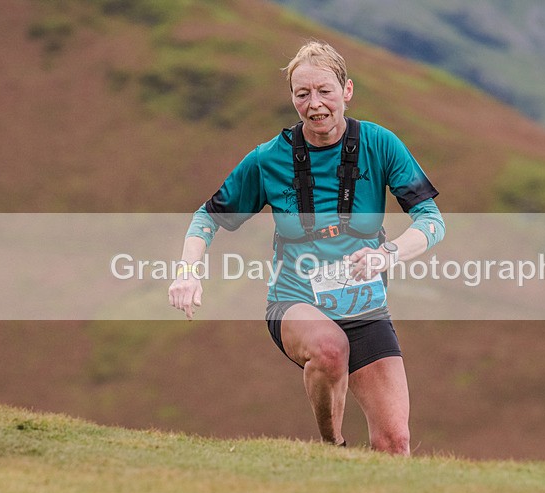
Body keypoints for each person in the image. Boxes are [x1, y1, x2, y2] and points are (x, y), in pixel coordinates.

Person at [168, 40, 444, 455]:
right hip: (294, 300)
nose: (315, 104)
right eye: (302, 94)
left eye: (325, 91)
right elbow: (206, 218)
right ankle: (332, 446)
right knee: (330, 349)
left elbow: (431, 220)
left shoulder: (380, 144)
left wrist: (387, 254)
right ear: (292, 98)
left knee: (395, 442)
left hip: (364, 305)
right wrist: (188, 273)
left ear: (346, 91)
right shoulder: (268, 159)